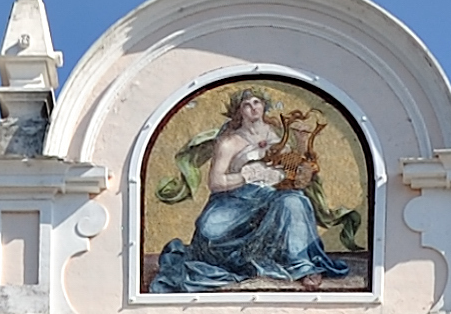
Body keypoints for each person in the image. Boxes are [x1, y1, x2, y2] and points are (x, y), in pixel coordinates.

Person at [151, 88, 358, 292]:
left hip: (273, 195)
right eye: (247, 105)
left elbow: (292, 170)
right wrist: (248, 176)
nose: (253, 108)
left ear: (264, 105)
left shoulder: (279, 133)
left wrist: (300, 155)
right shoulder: (229, 141)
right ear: (238, 110)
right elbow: (215, 182)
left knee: (294, 202)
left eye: (257, 102)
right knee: (209, 230)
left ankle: (303, 266)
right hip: (238, 200)